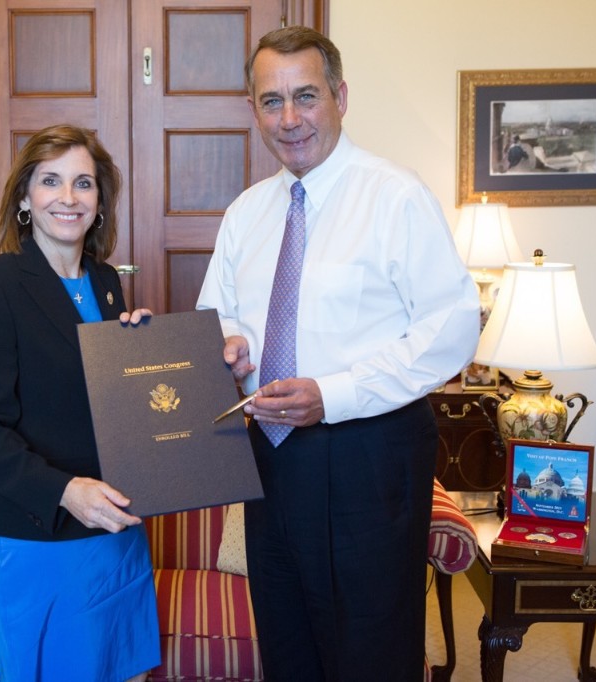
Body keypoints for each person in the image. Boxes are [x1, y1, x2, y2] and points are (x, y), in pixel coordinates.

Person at [196, 27, 480, 680]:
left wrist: (336, 394)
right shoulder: (246, 213)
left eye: (306, 96)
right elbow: (221, 314)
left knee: (372, 649)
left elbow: (451, 327)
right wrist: (231, 342)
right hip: (268, 459)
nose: (289, 119)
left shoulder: (395, 196)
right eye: (272, 101)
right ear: (253, 109)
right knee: (287, 641)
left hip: (369, 457)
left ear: (340, 96)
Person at [0, 125, 160, 682]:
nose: (68, 197)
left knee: (126, 673)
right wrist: (67, 492)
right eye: (51, 181)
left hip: (115, 530)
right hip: (38, 540)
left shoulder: (106, 281)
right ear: (24, 197)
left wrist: (141, 353)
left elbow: (105, 402)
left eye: (83, 183)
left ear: (100, 201)